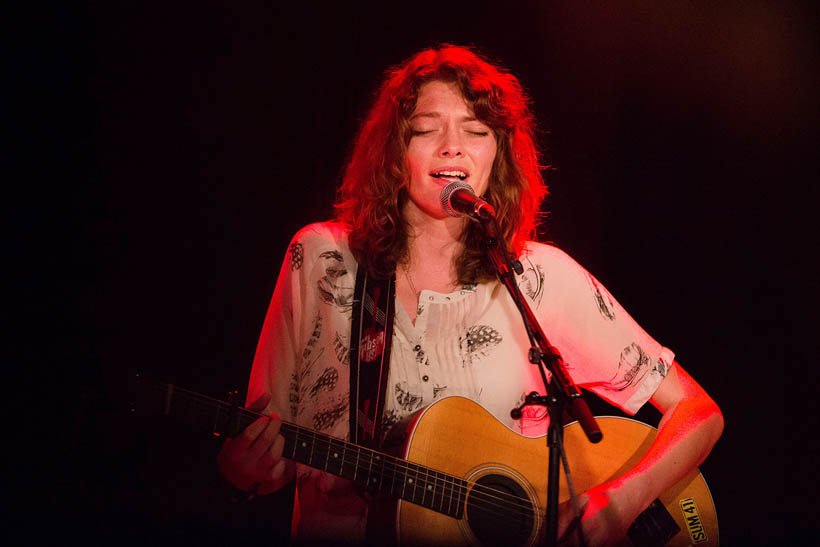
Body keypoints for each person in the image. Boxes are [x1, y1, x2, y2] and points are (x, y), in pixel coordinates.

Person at [218, 45, 723, 545]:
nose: (452, 147)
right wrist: (244, 472)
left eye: (476, 131)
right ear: (396, 152)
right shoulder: (324, 260)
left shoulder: (537, 278)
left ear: (497, 155)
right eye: (425, 128)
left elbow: (698, 413)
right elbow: (269, 454)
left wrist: (623, 498)